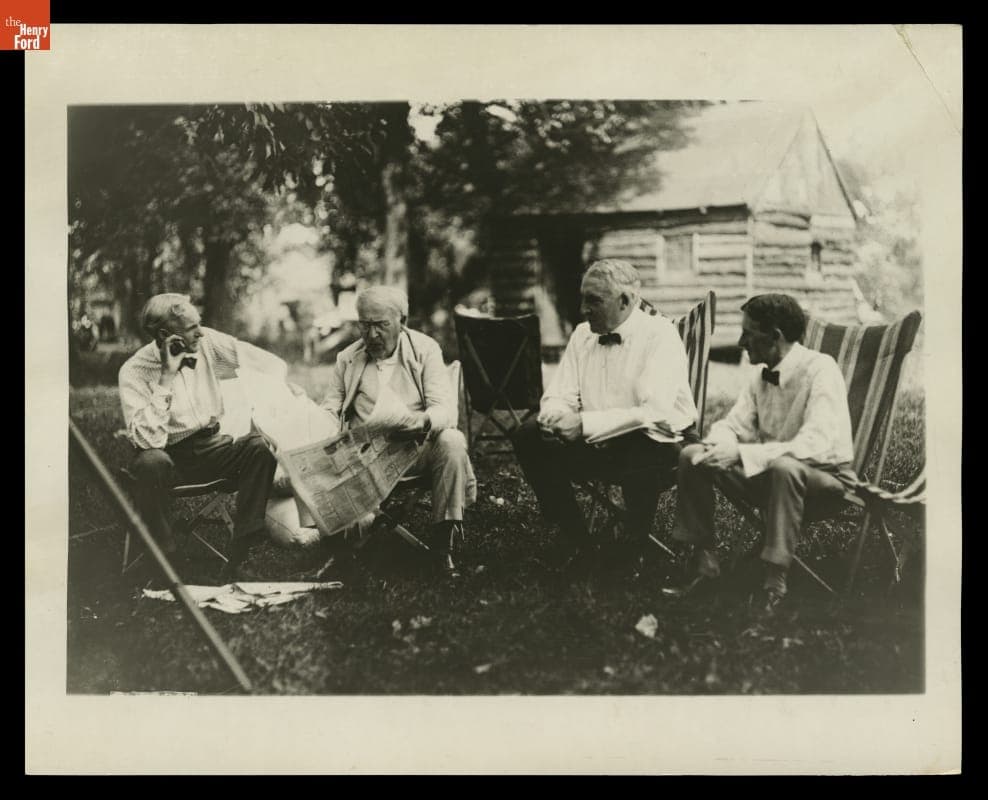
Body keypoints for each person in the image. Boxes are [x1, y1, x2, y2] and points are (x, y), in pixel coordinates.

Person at [510, 259, 698, 574]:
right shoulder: (583, 335)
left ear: (625, 301)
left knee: (641, 445)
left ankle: (632, 547)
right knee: (528, 434)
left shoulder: (659, 335)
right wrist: (555, 417)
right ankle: (577, 540)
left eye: (594, 300)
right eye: (583, 298)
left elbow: (653, 413)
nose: (583, 308)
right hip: (600, 443)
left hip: (664, 444)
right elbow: (560, 392)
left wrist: (584, 424)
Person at [672, 294, 858, 611]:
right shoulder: (761, 375)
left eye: (748, 333)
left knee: (787, 468)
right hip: (771, 475)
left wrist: (744, 455)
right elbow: (734, 423)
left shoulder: (820, 369)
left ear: (775, 336)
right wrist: (718, 445)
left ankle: (774, 582)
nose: (742, 341)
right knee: (693, 455)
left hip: (825, 480)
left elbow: (817, 443)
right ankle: (706, 562)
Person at [118, 293, 281, 580]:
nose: (201, 332)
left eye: (199, 324)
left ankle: (243, 551)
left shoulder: (207, 343)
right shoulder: (133, 371)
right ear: (166, 335)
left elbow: (262, 362)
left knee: (259, 448)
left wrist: (278, 394)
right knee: (149, 463)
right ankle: (166, 558)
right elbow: (148, 441)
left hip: (213, 447)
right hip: (169, 458)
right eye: (192, 328)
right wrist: (166, 378)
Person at [320, 285, 477, 577]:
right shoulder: (348, 358)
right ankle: (342, 553)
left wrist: (422, 422)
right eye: (364, 325)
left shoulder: (425, 349)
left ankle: (442, 548)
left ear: (402, 321)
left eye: (381, 325)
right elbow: (331, 407)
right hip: (364, 457)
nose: (372, 335)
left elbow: (445, 409)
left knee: (453, 441)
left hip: (414, 448)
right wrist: (320, 426)